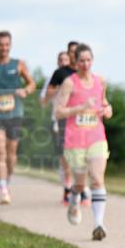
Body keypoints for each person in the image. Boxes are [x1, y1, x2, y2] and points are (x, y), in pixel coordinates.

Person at [54, 43, 113, 241]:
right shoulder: (70, 83)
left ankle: (98, 224)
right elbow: (58, 111)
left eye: (89, 60)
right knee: (80, 183)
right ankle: (74, 198)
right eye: (81, 61)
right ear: (75, 62)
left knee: (97, 178)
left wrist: (107, 110)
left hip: (96, 136)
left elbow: (105, 104)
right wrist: (79, 108)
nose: (85, 64)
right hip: (75, 140)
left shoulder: (100, 81)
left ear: (92, 61)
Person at [0, 30, 36, 204]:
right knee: (0, 151)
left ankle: (6, 180)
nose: (4, 48)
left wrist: (25, 90)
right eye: (1, 45)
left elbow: (32, 83)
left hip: (15, 113)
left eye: (7, 45)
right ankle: (3, 189)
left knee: (11, 154)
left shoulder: (19, 65)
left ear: (10, 45)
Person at [41, 49, 78, 205]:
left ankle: (78, 188)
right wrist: (56, 90)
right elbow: (43, 99)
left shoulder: (80, 75)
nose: (64, 62)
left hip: (77, 119)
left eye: (66, 59)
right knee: (64, 155)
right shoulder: (56, 76)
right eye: (61, 59)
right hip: (59, 119)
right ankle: (68, 188)